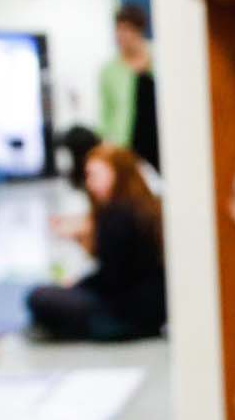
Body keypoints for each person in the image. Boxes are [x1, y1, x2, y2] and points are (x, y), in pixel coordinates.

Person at [28, 146, 166, 340]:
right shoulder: (145, 206)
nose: (89, 182)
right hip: (151, 308)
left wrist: (78, 285)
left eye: (94, 175)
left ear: (116, 174)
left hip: (126, 312)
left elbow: (112, 279)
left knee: (39, 297)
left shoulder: (118, 214)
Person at [99, 5, 159, 169]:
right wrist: (106, 143)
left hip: (158, 135)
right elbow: (105, 112)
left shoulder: (158, 58)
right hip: (128, 139)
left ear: (139, 30)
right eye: (118, 29)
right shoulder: (109, 70)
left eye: (126, 29)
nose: (121, 35)